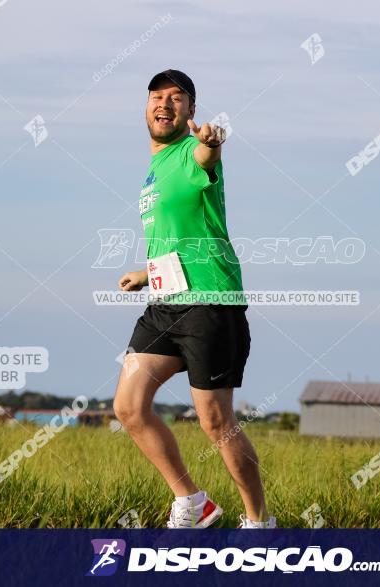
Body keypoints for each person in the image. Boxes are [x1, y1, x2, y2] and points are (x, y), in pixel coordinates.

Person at [113, 69, 275, 529]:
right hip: (165, 303)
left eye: (177, 98)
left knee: (216, 422)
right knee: (129, 406)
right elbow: (182, 238)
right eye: (157, 97)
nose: (165, 104)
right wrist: (147, 273)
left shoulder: (192, 152)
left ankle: (258, 522)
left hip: (209, 303)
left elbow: (207, 156)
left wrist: (212, 142)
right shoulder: (154, 170)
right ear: (146, 107)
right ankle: (193, 501)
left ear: (190, 111)